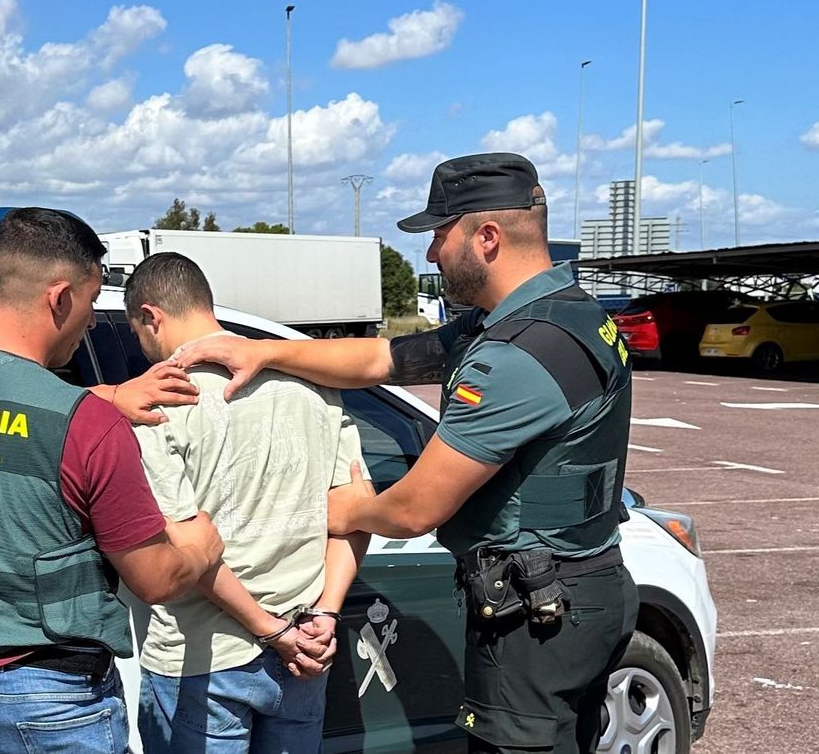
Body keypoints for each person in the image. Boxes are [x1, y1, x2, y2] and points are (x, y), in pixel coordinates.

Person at [175, 153, 637, 754]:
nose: (430, 255)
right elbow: (383, 360)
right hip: (581, 590)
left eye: (440, 237)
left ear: (487, 237)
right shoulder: (558, 316)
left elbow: (416, 509)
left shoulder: (518, 355)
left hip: (539, 618)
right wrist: (264, 353)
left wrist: (344, 514)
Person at [0, 207, 225, 754]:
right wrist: (201, 551)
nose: (90, 321)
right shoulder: (87, 427)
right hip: (53, 705)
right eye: (90, 303)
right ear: (60, 297)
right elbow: (156, 579)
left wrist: (105, 394)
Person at [121, 252, 370, 754]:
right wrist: (324, 613)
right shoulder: (315, 387)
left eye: (136, 334)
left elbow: (183, 545)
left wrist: (271, 631)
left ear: (151, 317)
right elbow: (355, 514)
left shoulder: (160, 402)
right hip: (306, 647)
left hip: (202, 658)